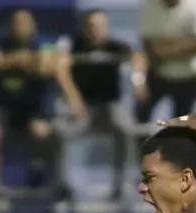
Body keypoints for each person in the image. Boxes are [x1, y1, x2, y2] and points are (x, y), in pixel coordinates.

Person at [0, 8, 82, 208]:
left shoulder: (42, 44)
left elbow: (44, 66)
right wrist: (21, 60)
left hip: (33, 106)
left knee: (43, 133)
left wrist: (6, 61)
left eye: (25, 23)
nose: (20, 27)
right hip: (2, 105)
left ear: (33, 26)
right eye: (16, 23)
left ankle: (44, 170)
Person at [59, 8, 140, 202]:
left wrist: (138, 80)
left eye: (100, 26)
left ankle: (120, 185)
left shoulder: (115, 47)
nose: (96, 30)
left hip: (110, 106)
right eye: (91, 26)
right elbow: (60, 66)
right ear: (85, 28)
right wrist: (73, 97)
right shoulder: (74, 46)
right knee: (60, 132)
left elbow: (137, 57)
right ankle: (64, 185)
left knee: (127, 131)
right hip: (83, 107)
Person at [136, 0, 196, 123]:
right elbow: (148, 45)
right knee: (141, 113)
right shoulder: (149, 5)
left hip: (189, 76)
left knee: (183, 123)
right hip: (158, 72)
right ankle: (143, 142)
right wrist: (183, 44)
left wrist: (162, 48)